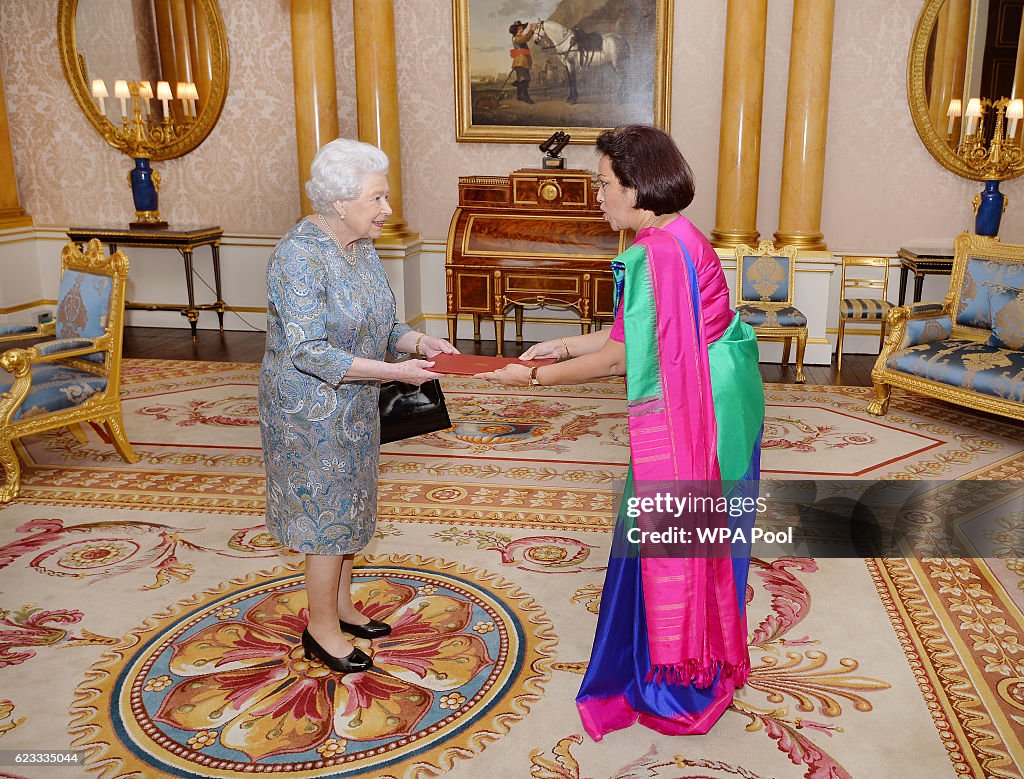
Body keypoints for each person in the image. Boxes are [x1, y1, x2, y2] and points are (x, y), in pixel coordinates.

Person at [477, 125, 765, 739]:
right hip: (727, 402)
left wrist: (529, 379)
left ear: (637, 188)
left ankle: (673, 682)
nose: (598, 197)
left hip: (695, 417)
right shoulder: (681, 235)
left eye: (605, 184)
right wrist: (557, 345)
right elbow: (625, 341)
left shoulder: (649, 254)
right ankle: (704, 664)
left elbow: (618, 360)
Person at [258, 138, 458, 674]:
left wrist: (419, 344)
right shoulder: (298, 255)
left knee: (351, 506)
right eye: (377, 198)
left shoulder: (360, 247)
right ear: (340, 201)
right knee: (324, 517)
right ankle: (320, 630)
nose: (387, 209)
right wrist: (396, 373)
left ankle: (341, 606)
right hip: (308, 408)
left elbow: (384, 325)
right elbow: (306, 350)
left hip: (355, 401)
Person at [509, 20, 537, 104]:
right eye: (519, 28)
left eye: (522, 28)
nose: (521, 30)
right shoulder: (517, 38)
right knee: (524, 80)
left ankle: (519, 95)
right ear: (516, 30)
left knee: (521, 79)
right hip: (521, 62)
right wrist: (532, 30)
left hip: (522, 62)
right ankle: (527, 98)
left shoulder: (518, 37)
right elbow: (526, 37)